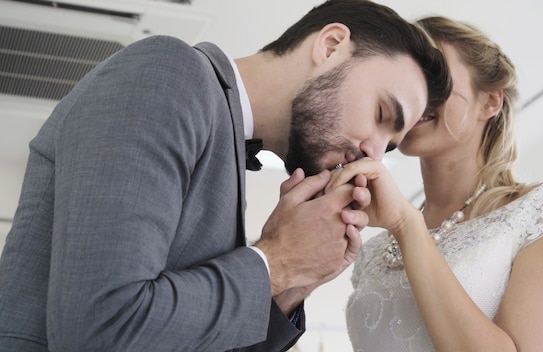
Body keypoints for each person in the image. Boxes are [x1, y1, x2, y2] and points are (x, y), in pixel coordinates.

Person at [0, 1, 452, 351]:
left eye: (389, 145)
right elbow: (98, 330)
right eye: (381, 113)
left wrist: (298, 282)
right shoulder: (168, 72)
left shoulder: (228, 151)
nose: (374, 152)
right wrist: (277, 261)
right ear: (331, 45)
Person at [326, 15, 543, 351]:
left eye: (436, 76)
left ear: (490, 101)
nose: (417, 93)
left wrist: (408, 226)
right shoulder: (372, 253)